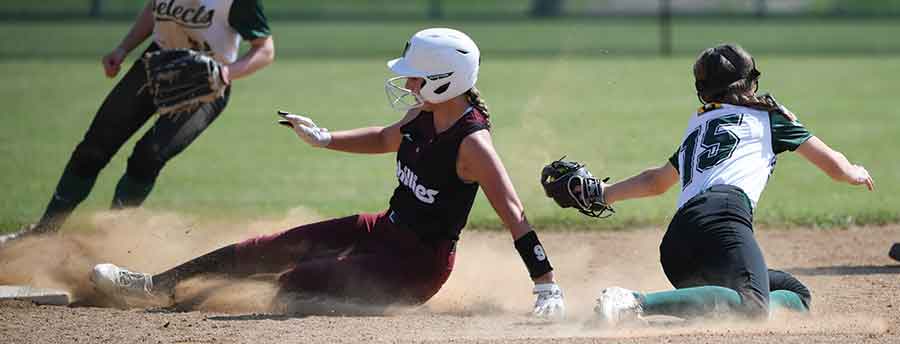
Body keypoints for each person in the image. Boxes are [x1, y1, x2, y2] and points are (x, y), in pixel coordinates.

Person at [89, 28, 566, 318]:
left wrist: (545, 284)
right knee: (270, 247)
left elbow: (514, 213)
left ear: (446, 79)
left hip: (417, 268)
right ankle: (154, 286)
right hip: (383, 230)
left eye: (415, 75)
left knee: (300, 280)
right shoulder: (422, 114)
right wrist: (324, 137)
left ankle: (192, 297)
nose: (407, 82)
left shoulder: (472, 143)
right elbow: (382, 139)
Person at [587, 43, 874, 324]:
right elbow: (834, 167)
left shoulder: (699, 125)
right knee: (755, 307)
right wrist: (854, 171)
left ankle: (712, 302)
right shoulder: (768, 117)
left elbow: (656, 182)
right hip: (722, 217)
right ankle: (634, 303)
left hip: (676, 245)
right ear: (750, 83)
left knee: (796, 294)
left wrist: (603, 193)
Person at [0, 0, 275, 243]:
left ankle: (110, 239)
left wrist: (226, 73)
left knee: (148, 155)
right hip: (155, 64)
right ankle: (44, 232)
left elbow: (265, 50)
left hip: (207, 84)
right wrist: (123, 48)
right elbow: (153, 9)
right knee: (94, 147)